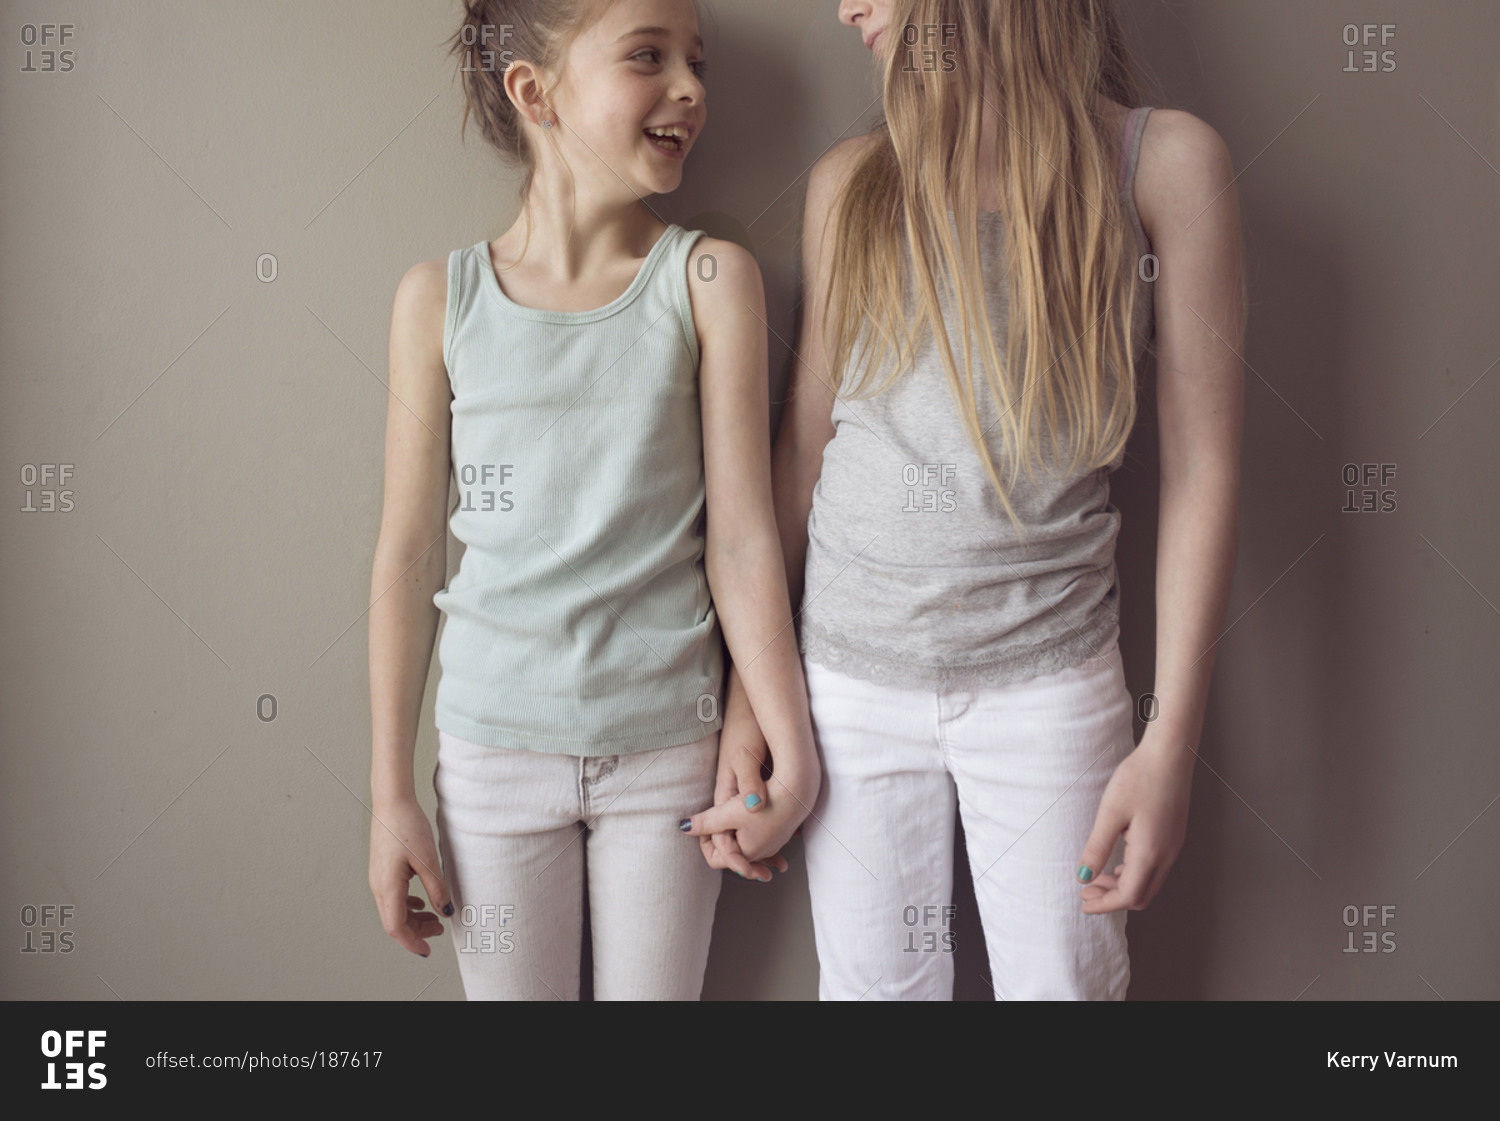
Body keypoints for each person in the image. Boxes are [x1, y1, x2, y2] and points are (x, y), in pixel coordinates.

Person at [686, 0, 1246, 999]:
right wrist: (749, 700)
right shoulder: (852, 183)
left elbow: (1203, 470)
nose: (844, 6)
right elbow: (803, 459)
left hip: (1051, 679)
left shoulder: (1161, 166)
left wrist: (1170, 745)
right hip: (847, 685)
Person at [365, 0, 817, 1001]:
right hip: (491, 758)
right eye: (648, 57)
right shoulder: (438, 302)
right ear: (536, 93)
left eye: (697, 60)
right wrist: (389, 792)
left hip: (667, 750)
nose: (692, 89)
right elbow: (406, 555)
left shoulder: (706, 280)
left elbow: (743, 540)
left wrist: (791, 742)